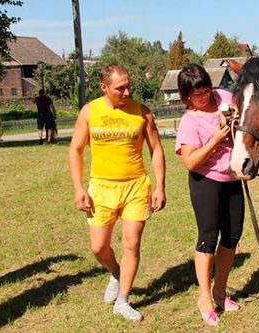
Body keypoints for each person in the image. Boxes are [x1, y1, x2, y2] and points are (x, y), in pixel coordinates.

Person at [68, 64, 166, 321]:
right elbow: (75, 150)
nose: (126, 91)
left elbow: (156, 149)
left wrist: (160, 186)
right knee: (98, 247)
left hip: (136, 186)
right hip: (101, 187)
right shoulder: (89, 111)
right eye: (120, 88)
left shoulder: (143, 113)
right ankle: (115, 272)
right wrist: (79, 188)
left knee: (131, 243)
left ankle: (122, 301)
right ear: (104, 88)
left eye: (128, 86)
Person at [175, 64, 244, 326]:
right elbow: (190, 162)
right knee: (208, 239)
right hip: (206, 181)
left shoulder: (225, 98)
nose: (205, 97)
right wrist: (216, 138)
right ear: (186, 97)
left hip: (232, 177)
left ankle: (220, 291)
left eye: (206, 90)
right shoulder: (189, 121)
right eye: (197, 94)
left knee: (232, 237)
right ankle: (205, 298)